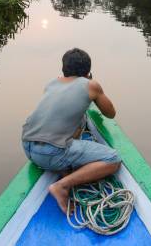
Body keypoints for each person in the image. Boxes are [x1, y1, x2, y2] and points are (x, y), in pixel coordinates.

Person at [21, 48, 121, 214]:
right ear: (88, 72)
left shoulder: (51, 84)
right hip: (51, 153)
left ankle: (63, 167)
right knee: (113, 159)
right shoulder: (91, 85)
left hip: (27, 147)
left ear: (63, 69)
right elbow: (110, 113)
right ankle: (62, 185)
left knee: (79, 120)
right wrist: (93, 88)